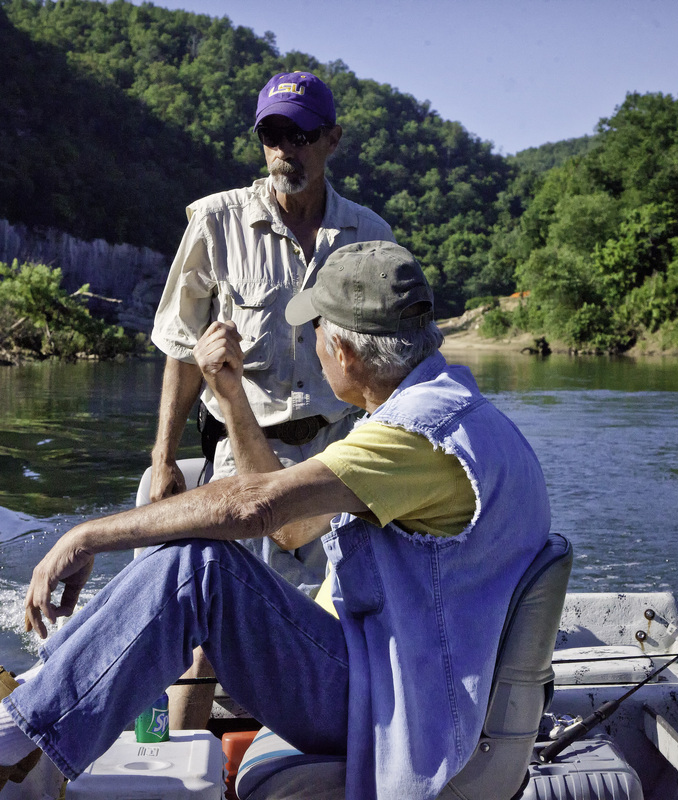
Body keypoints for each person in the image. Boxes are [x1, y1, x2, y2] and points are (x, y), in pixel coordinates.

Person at [0, 241, 551, 800]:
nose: (313, 345)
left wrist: (84, 533)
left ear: (346, 350)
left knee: (199, 566)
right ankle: (2, 723)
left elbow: (252, 506)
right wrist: (230, 396)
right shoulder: (442, 411)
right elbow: (289, 532)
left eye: (316, 332)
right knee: (200, 564)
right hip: (389, 673)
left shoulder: (413, 436)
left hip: (392, 703)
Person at [150, 69, 396, 726]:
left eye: (301, 135)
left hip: (339, 452)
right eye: (273, 135)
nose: (286, 148)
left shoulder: (371, 236)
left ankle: (314, 759)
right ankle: (185, 776)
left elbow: (393, 364)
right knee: (204, 632)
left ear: (332, 140)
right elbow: (180, 345)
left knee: (341, 615)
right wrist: (163, 459)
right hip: (240, 445)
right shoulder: (215, 222)